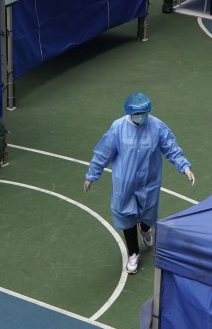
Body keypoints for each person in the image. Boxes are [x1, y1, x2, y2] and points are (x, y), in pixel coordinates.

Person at [84, 92, 195, 275]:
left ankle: (144, 229)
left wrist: (184, 166)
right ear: (129, 112)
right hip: (125, 183)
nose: (141, 117)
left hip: (148, 181)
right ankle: (133, 253)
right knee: (126, 216)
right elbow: (103, 153)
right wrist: (92, 175)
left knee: (148, 214)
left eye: (144, 113)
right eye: (138, 114)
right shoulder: (118, 128)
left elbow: (171, 147)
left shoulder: (156, 126)